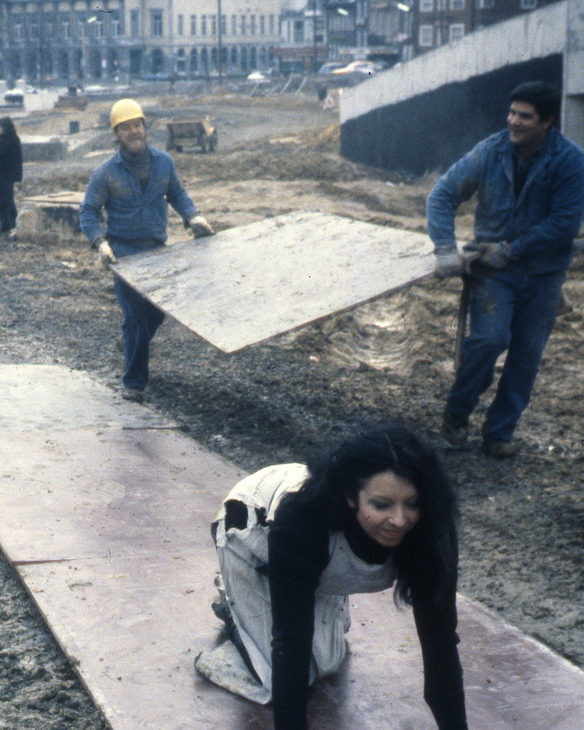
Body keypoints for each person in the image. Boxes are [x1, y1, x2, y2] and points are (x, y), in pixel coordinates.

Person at [196, 425, 467, 730]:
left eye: (412, 503)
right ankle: (234, 607)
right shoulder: (302, 519)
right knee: (291, 672)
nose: (400, 520)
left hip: (320, 564)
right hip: (251, 537)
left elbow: (441, 642)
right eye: (382, 505)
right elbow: (290, 644)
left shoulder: (433, 527)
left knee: (328, 659)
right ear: (350, 496)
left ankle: (271, 597)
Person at [428, 81, 584, 458]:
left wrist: (513, 249)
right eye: (512, 112)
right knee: (489, 340)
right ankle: (457, 412)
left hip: (543, 274)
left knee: (526, 357)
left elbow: (564, 223)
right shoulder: (490, 151)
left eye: (524, 116)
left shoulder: (570, 161)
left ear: (547, 121)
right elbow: (442, 194)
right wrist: (445, 248)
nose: (513, 121)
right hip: (492, 272)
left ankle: (499, 433)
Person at [79, 98, 213, 401]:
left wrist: (193, 216)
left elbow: (177, 193)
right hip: (123, 253)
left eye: (137, 125)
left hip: (156, 250)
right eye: (125, 128)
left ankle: (131, 347)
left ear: (144, 127)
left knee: (156, 314)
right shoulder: (105, 172)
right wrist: (100, 243)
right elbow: (87, 211)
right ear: (116, 134)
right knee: (136, 316)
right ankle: (134, 384)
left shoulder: (164, 162)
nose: (133, 132)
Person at [0, 116, 22, 236]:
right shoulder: (0, 138)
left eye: (0, 126)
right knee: (2, 200)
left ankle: (10, 223)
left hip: (7, 175)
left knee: (7, 199)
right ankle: (6, 224)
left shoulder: (12, 139)